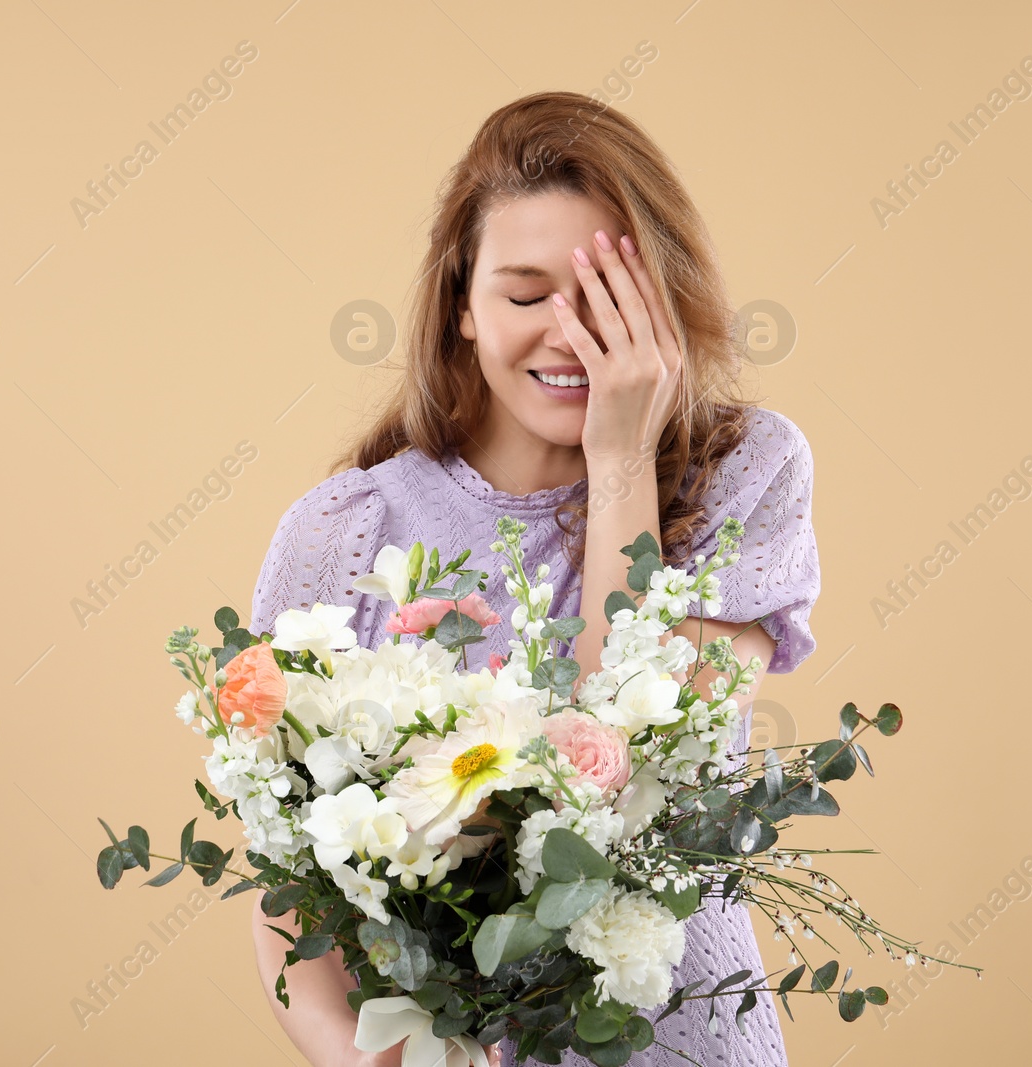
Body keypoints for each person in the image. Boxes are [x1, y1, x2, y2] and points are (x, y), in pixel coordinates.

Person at [247, 90, 819, 1067]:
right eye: (524, 296)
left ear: (665, 304)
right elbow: (286, 879)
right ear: (462, 307)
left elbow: (631, 761)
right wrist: (362, 1056)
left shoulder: (747, 473)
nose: (571, 338)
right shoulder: (343, 530)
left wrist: (622, 461)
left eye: (607, 301)